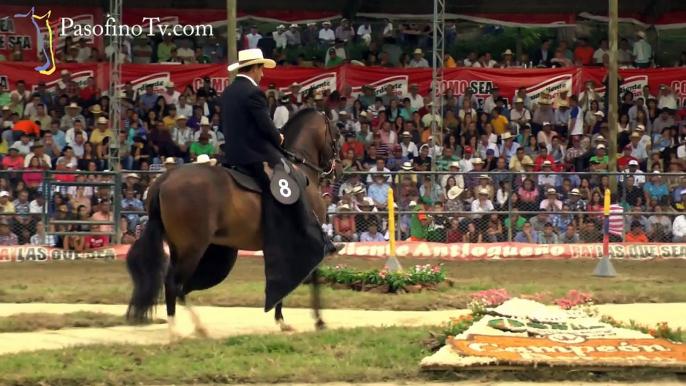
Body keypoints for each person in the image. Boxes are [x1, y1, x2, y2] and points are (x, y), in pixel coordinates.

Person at [221, 49, 341, 310]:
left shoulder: (229, 92)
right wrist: (280, 138)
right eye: (261, 68)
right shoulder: (253, 93)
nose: (263, 73)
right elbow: (264, 126)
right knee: (293, 181)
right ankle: (312, 234)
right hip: (253, 154)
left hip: (230, 154)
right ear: (253, 68)